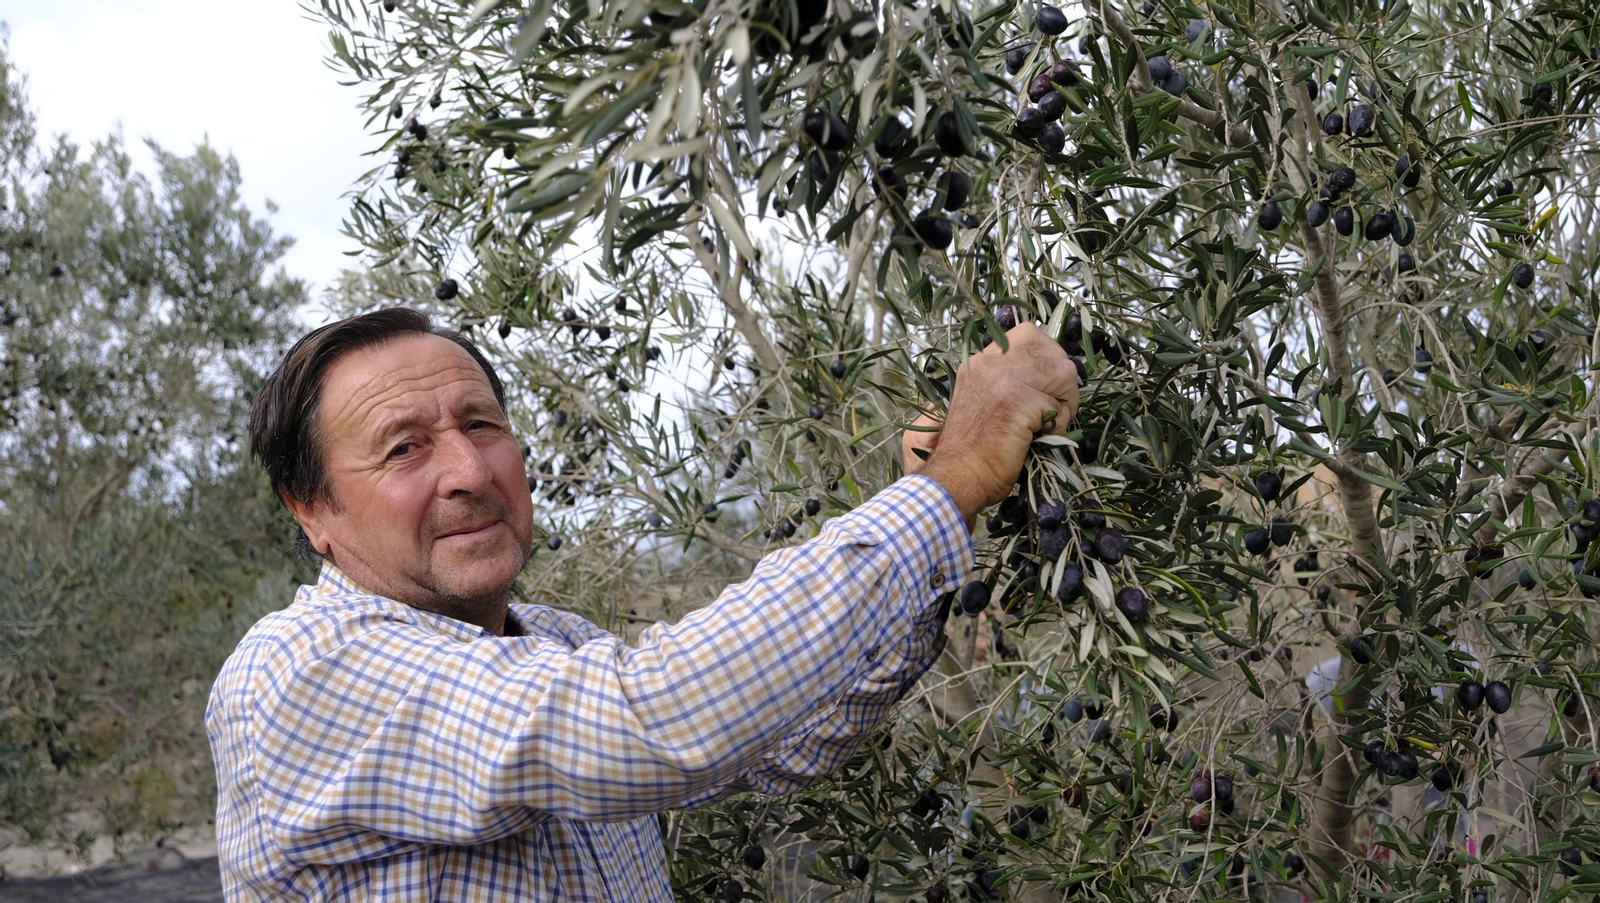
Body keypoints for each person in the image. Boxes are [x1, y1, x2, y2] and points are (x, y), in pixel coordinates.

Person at [206, 306, 1079, 900]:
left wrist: (936, 518)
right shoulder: (296, 670)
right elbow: (649, 722)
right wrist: (953, 481)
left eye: (481, 425)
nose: (469, 471)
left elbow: (785, 744)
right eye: (404, 448)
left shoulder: (555, 641)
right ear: (311, 510)